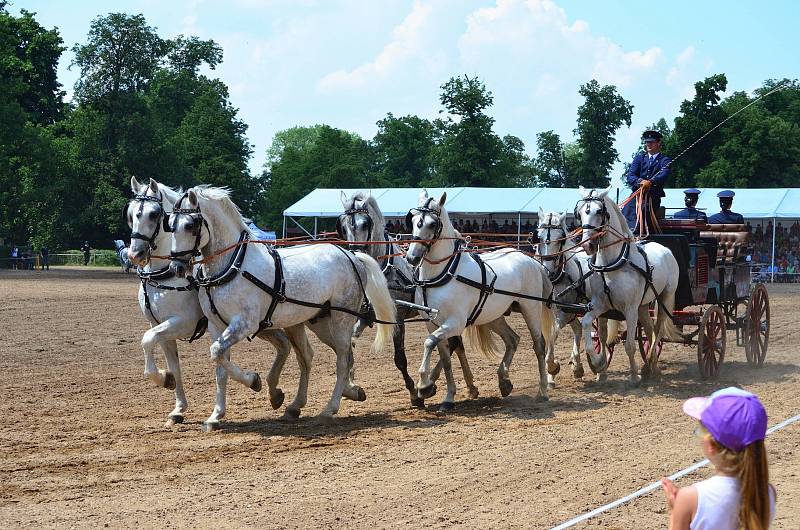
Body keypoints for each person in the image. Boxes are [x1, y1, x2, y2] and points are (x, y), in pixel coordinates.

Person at [661, 387, 775, 530]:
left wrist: (675, 511)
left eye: (700, 431)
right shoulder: (766, 492)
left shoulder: (691, 498)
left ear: (711, 445)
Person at [622, 130, 671, 233]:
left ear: (658, 143)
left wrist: (651, 182)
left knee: (643, 210)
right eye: (647, 142)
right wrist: (640, 181)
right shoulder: (639, 158)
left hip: (652, 197)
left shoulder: (664, 160)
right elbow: (630, 176)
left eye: (651, 142)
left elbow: (663, 175)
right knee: (625, 211)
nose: (648, 144)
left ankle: (637, 232)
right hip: (637, 195)